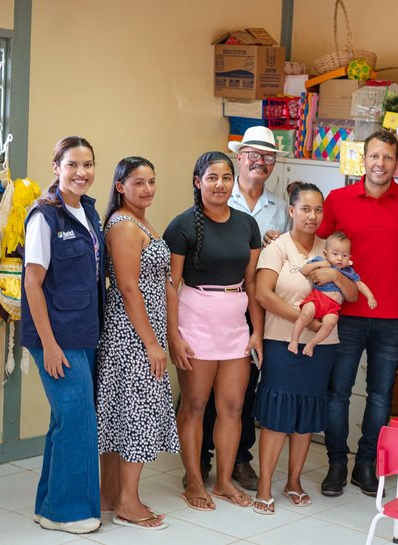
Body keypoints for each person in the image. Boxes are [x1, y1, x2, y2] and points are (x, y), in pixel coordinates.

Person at [317, 130, 398, 497]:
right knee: (338, 392)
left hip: (392, 316)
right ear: (364, 159)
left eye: (388, 158)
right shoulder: (338, 199)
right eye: (374, 157)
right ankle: (335, 464)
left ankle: (365, 465)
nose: (381, 164)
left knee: (380, 395)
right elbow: (317, 248)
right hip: (344, 313)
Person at [164, 151, 262, 511]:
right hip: (195, 321)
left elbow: (251, 282)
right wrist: (173, 335)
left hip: (235, 324)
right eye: (212, 178)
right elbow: (170, 285)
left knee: (233, 407)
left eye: (225, 178)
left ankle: (222, 481)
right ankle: (193, 481)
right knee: (194, 405)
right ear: (197, 181)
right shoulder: (181, 226)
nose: (220, 185)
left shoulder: (247, 224)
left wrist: (256, 332)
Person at [252, 182, 359, 514]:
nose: (312, 216)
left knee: (306, 416)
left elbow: (353, 295)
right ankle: (265, 485)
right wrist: (307, 320)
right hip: (283, 342)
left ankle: (294, 481)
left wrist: (338, 276)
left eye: (318, 210)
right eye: (306, 209)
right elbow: (263, 294)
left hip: (322, 347)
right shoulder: (278, 247)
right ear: (292, 211)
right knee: (277, 418)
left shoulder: (331, 249)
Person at [193, 126, 289, 492]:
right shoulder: (217, 194)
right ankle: (201, 454)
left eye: (267, 157)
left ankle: (239, 458)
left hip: (253, 302)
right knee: (201, 386)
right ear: (239, 156)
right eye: (252, 155)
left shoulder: (281, 208)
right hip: (209, 303)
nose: (259, 162)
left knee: (244, 387)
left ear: (274, 164)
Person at [21, 136, 105, 534]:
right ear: (56, 167)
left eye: (88, 164)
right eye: (72, 164)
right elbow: (33, 284)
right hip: (55, 337)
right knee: (76, 420)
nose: (81, 172)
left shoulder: (88, 212)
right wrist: (51, 346)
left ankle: (48, 506)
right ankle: (68, 512)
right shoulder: (44, 215)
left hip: (85, 332)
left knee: (65, 420)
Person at [96, 157, 180, 530]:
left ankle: (111, 495)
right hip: (132, 336)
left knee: (122, 413)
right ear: (120, 187)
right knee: (136, 415)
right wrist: (152, 343)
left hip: (141, 331)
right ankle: (128, 502)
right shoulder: (125, 226)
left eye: (152, 181)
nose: (147, 189)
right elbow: (128, 288)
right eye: (138, 182)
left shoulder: (138, 220)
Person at [289, 231, 377, 356]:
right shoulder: (320, 261)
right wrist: (320, 264)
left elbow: (360, 284)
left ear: (350, 257)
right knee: (305, 315)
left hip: (333, 307)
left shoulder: (348, 272)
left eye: (344, 255)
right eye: (335, 254)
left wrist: (370, 297)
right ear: (326, 254)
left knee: (331, 323)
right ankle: (294, 340)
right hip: (317, 298)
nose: (340, 258)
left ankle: (312, 344)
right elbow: (304, 270)